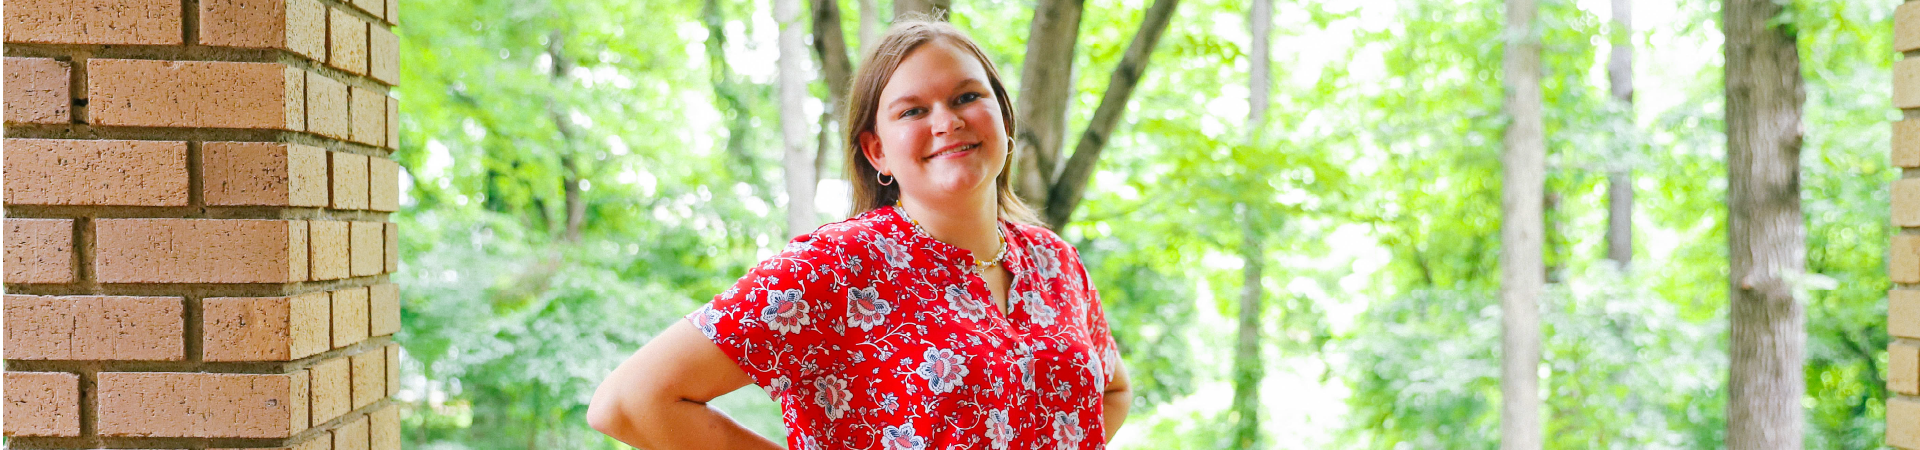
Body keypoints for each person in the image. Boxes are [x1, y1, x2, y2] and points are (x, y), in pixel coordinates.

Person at [587, 18, 1131, 449]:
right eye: (913, 110)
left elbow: (1112, 390)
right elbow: (630, 403)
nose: (947, 120)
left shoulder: (1054, 261)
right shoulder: (837, 265)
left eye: (967, 97)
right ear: (877, 151)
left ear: (1002, 118)